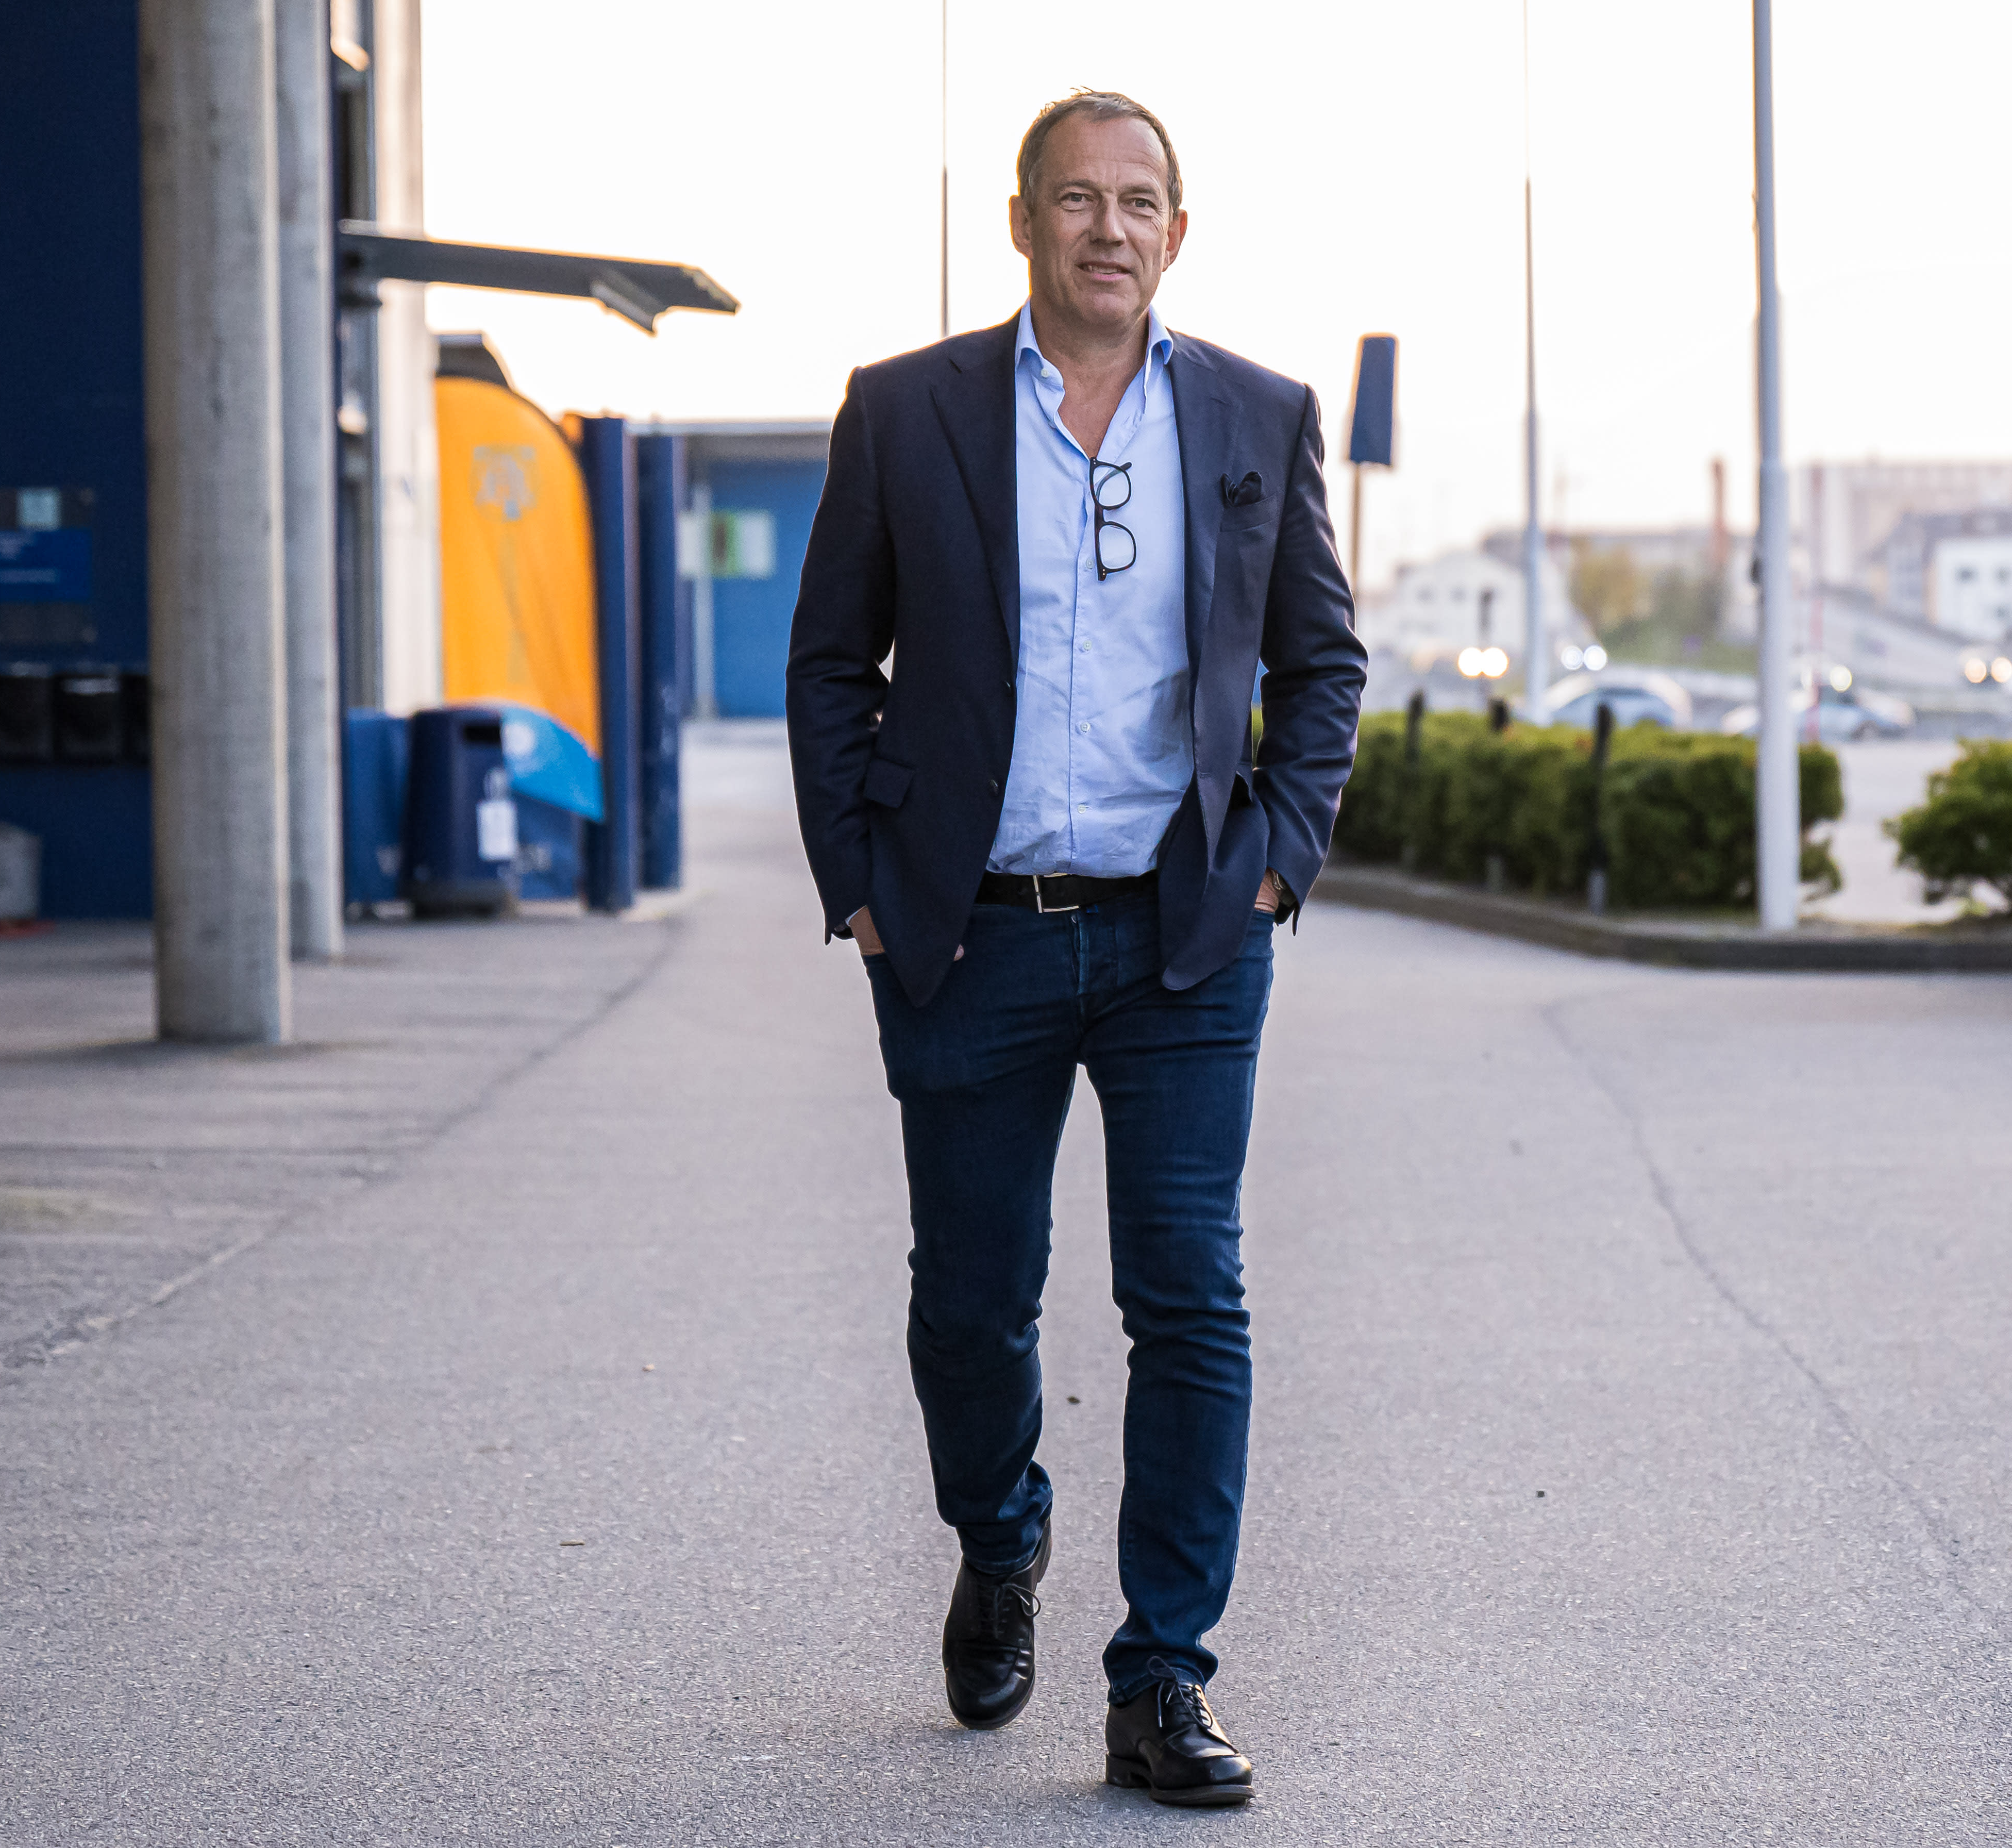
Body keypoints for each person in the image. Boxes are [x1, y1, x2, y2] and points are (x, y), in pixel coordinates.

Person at [785, 88, 1365, 1808]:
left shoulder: (1258, 412)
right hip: (970, 934)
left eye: (1137, 201)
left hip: (1187, 934)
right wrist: (860, 877)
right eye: (1075, 199)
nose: (1108, 228)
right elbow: (830, 661)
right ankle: (999, 1531)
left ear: (1175, 231)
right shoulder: (906, 411)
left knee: (1190, 1294)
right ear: (1023, 222)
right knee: (971, 1304)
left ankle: (1161, 1674)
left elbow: (1320, 663)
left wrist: (1275, 861)